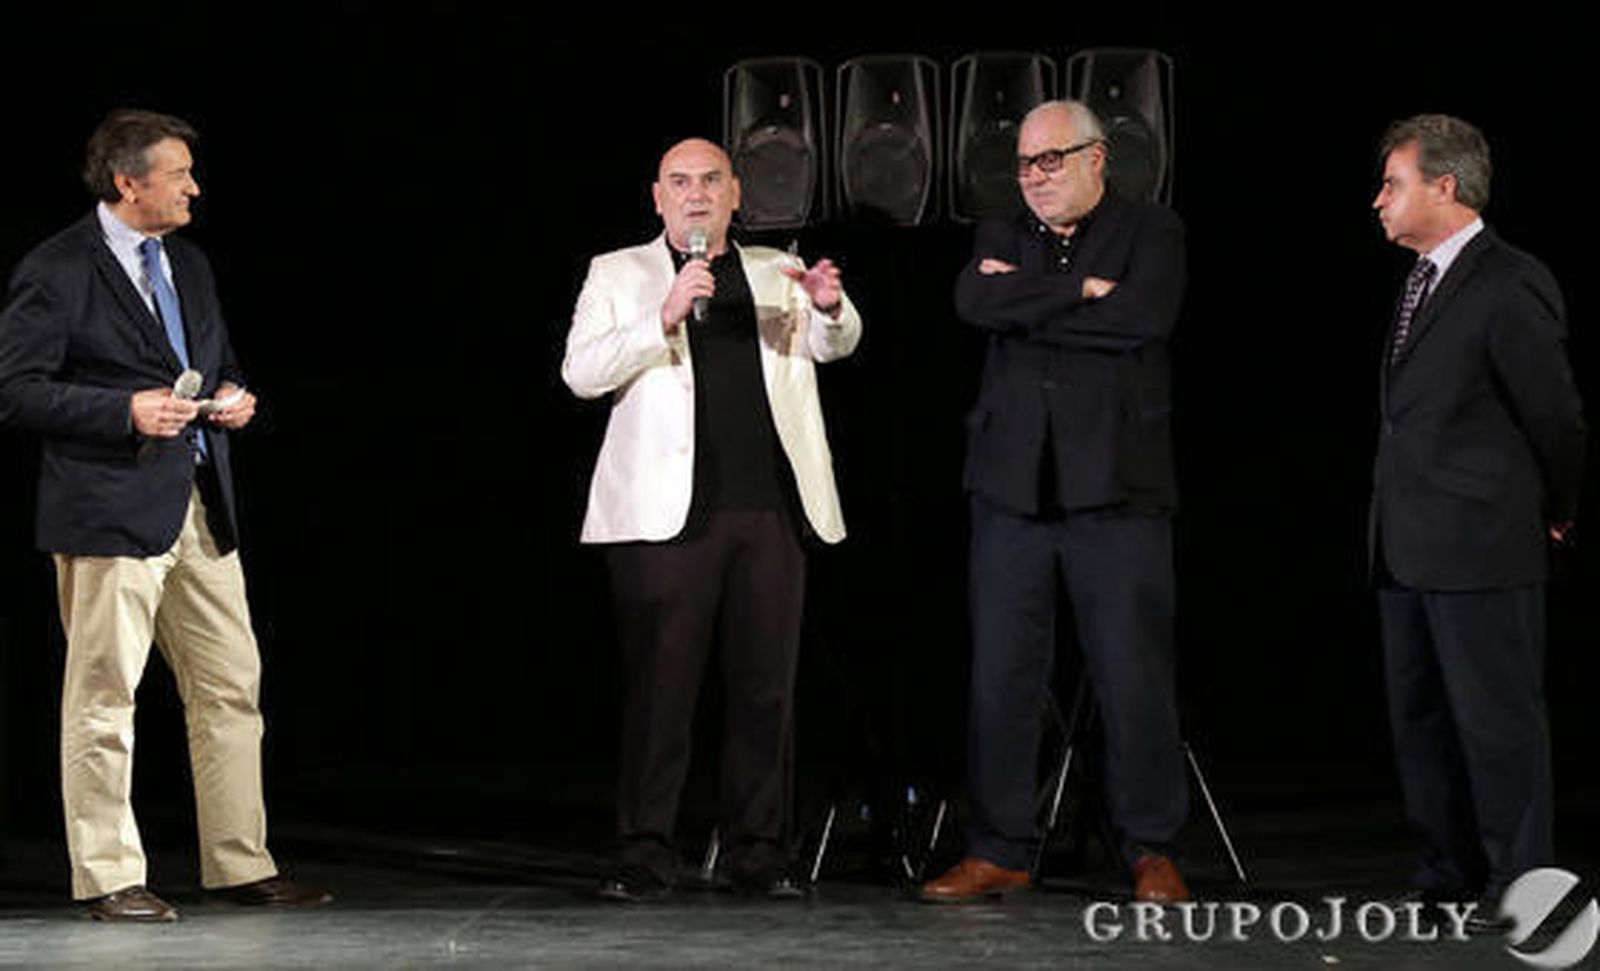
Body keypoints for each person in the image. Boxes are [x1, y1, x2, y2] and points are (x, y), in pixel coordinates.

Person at [0, 109, 330, 921]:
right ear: (127, 181)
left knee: (230, 685)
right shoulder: (59, 267)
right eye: (178, 173)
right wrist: (124, 410)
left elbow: (212, 360)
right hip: (108, 512)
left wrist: (233, 396)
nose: (193, 186)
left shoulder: (189, 263)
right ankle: (111, 875)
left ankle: (238, 860)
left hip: (199, 504)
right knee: (105, 694)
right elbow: (16, 387)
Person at [562, 137, 861, 900]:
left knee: (766, 688)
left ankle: (759, 852)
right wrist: (661, 316)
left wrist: (829, 306)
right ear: (657, 197)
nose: (695, 194)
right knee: (662, 689)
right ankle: (645, 850)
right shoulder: (618, 271)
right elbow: (581, 374)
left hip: (768, 507)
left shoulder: (775, 268)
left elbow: (834, 344)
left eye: (711, 181)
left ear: (735, 195)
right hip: (665, 518)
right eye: (679, 182)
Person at [920, 100, 1190, 904]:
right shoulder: (1000, 233)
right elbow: (974, 302)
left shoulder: (1153, 232)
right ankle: (1000, 845)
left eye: (1052, 161)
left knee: (1131, 673)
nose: (1034, 178)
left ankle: (1151, 847)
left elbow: (1141, 318)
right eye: (1026, 164)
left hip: (1117, 491)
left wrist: (1036, 298)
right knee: (1002, 674)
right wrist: (1082, 292)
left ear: (1098, 159)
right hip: (1010, 490)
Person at [1369, 114, 1584, 930]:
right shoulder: (1420, 278)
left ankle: (1523, 882)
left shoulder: (1508, 279)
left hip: (1484, 542)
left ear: (1445, 186)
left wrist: (1557, 512)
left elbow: (1557, 416)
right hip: (1407, 542)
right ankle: (1446, 873)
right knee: (1420, 720)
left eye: (1393, 183)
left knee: (1498, 721)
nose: (1379, 200)